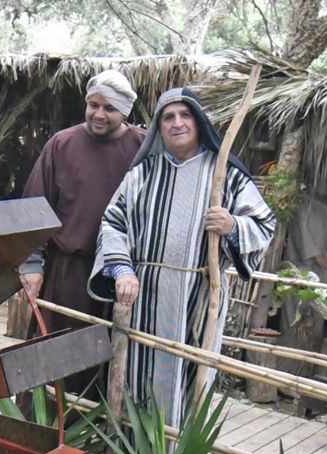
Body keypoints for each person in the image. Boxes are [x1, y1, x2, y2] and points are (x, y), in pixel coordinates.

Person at [89, 87, 277, 429]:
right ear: (158, 128)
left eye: (185, 115)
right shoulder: (142, 174)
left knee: (191, 381)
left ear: (199, 122)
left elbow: (265, 224)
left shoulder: (225, 174)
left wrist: (233, 225)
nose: (177, 123)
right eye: (168, 117)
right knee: (136, 376)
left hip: (199, 300)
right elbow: (113, 221)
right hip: (143, 299)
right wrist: (121, 270)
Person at [19, 70, 146, 343]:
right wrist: (32, 264)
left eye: (109, 108)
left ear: (124, 111)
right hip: (67, 274)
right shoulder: (61, 145)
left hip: (121, 274)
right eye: (93, 105)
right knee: (57, 353)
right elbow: (34, 205)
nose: (99, 114)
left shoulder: (143, 148)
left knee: (111, 356)